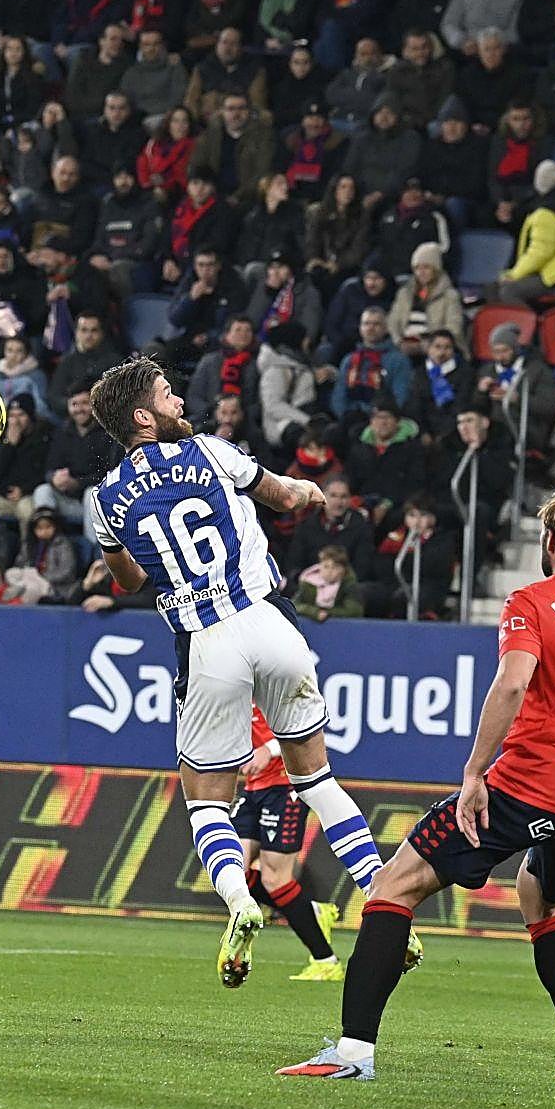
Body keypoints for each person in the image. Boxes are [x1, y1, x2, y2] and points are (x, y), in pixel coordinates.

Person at [280, 487, 555, 1086]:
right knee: (541, 901)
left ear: (550, 543)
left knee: (393, 887)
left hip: (528, 781)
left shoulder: (534, 600)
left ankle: (353, 1052)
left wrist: (474, 773)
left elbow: (513, 683)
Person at [87, 355, 414, 986]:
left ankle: (240, 903)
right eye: (166, 394)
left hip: (206, 643)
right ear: (141, 417)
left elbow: (125, 578)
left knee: (205, 798)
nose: (180, 400)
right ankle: (382, 897)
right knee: (316, 777)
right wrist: (315, 492)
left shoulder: (104, 502)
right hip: (271, 620)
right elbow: (287, 496)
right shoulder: (212, 453)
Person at [233, 703, 344, 981]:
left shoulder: (277, 677)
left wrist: (268, 750)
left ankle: (326, 961)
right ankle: (311, 911)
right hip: (253, 787)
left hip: (285, 786)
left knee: (275, 879)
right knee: (230, 871)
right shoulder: (235, 684)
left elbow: (306, 728)